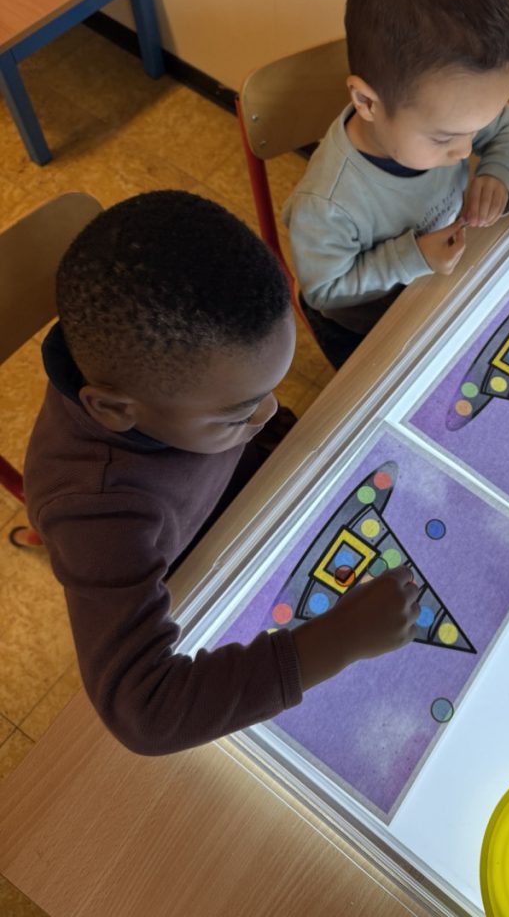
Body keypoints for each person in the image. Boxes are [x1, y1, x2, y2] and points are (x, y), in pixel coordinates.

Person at [24, 190, 419, 755]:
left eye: (268, 390)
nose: (268, 413)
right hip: (199, 578)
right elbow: (145, 712)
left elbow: (257, 422)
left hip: (249, 515)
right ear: (114, 410)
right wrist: (339, 639)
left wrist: (279, 442)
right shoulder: (96, 512)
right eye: (238, 413)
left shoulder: (173, 377)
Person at [285, 0, 509, 369]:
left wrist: (498, 174)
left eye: (475, 129)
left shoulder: (449, 115)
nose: (465, 152)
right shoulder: (327, 205)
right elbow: (325, 291)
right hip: (363, 325)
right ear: (367, 103)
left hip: (433, 287)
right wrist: (411, 258)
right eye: (445, 138)